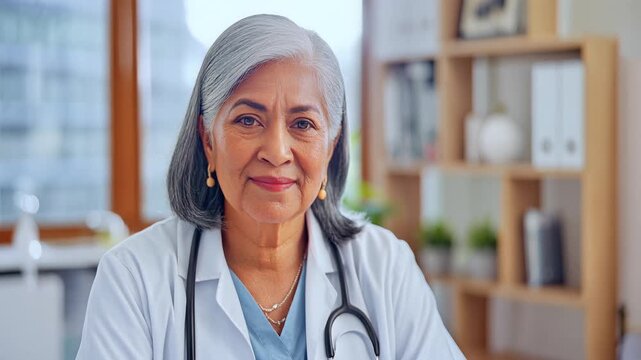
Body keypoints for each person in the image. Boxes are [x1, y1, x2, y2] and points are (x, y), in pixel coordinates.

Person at [76, 14, 465, 359]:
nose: (277, 151)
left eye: (303, 124)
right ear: (208, 139)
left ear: (330, 146)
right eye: (248, 120)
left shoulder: (384, 266)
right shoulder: (134, 277)